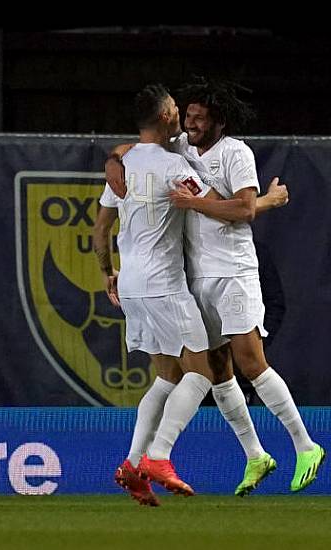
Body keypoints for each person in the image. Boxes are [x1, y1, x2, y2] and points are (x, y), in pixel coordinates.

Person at [108, 77, 325, 494]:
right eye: (187, 115)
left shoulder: (235, 153)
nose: (190, 123)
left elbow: (243, 208)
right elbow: (130, 150)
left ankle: (306, 445)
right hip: (195, 276)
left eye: (199, 118)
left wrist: (197, 203)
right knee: (217, 370)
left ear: (218, 122)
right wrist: (111, 160)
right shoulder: (181, 149)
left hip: (233, 271)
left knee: (250, 363)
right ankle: (257, 456)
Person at [97, 84, 217, 504]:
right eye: (174, 108)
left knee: (167, 376)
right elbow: (214, 205)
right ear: (165, 115)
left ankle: (132, 465)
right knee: (202, 373)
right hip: (164, 283)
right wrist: (260, 202)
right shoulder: (173, 166)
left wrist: (107, 272)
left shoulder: (124, 164)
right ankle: (159, 457)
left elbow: (100, 230)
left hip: (131, 282)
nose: (180, 114)